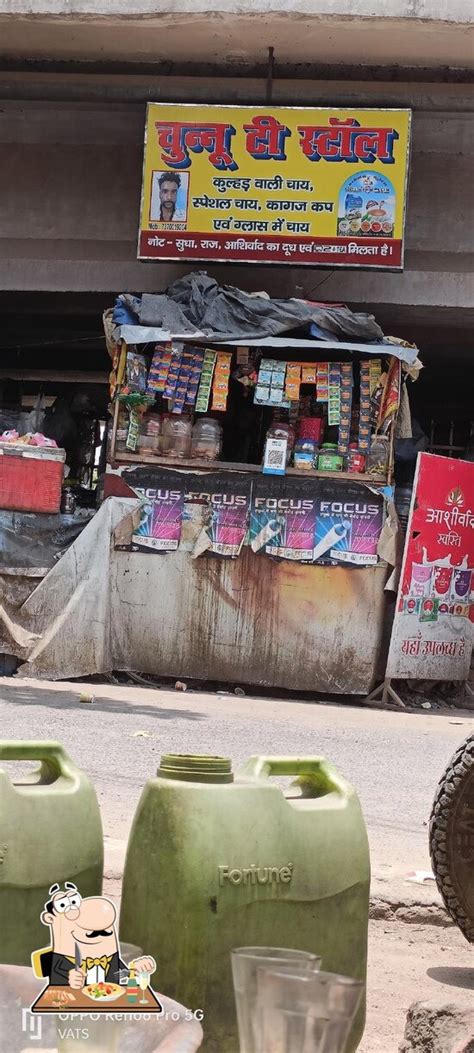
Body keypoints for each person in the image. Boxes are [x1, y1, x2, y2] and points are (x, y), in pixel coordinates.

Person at [34, 882, 155, 988]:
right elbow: (54, 994)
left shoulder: (109, 958)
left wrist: (136, 969)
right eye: (64, 906)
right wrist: (68, 982)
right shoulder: (59, 964)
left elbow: (121, 975)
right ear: (50, 918)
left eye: (75, 902)